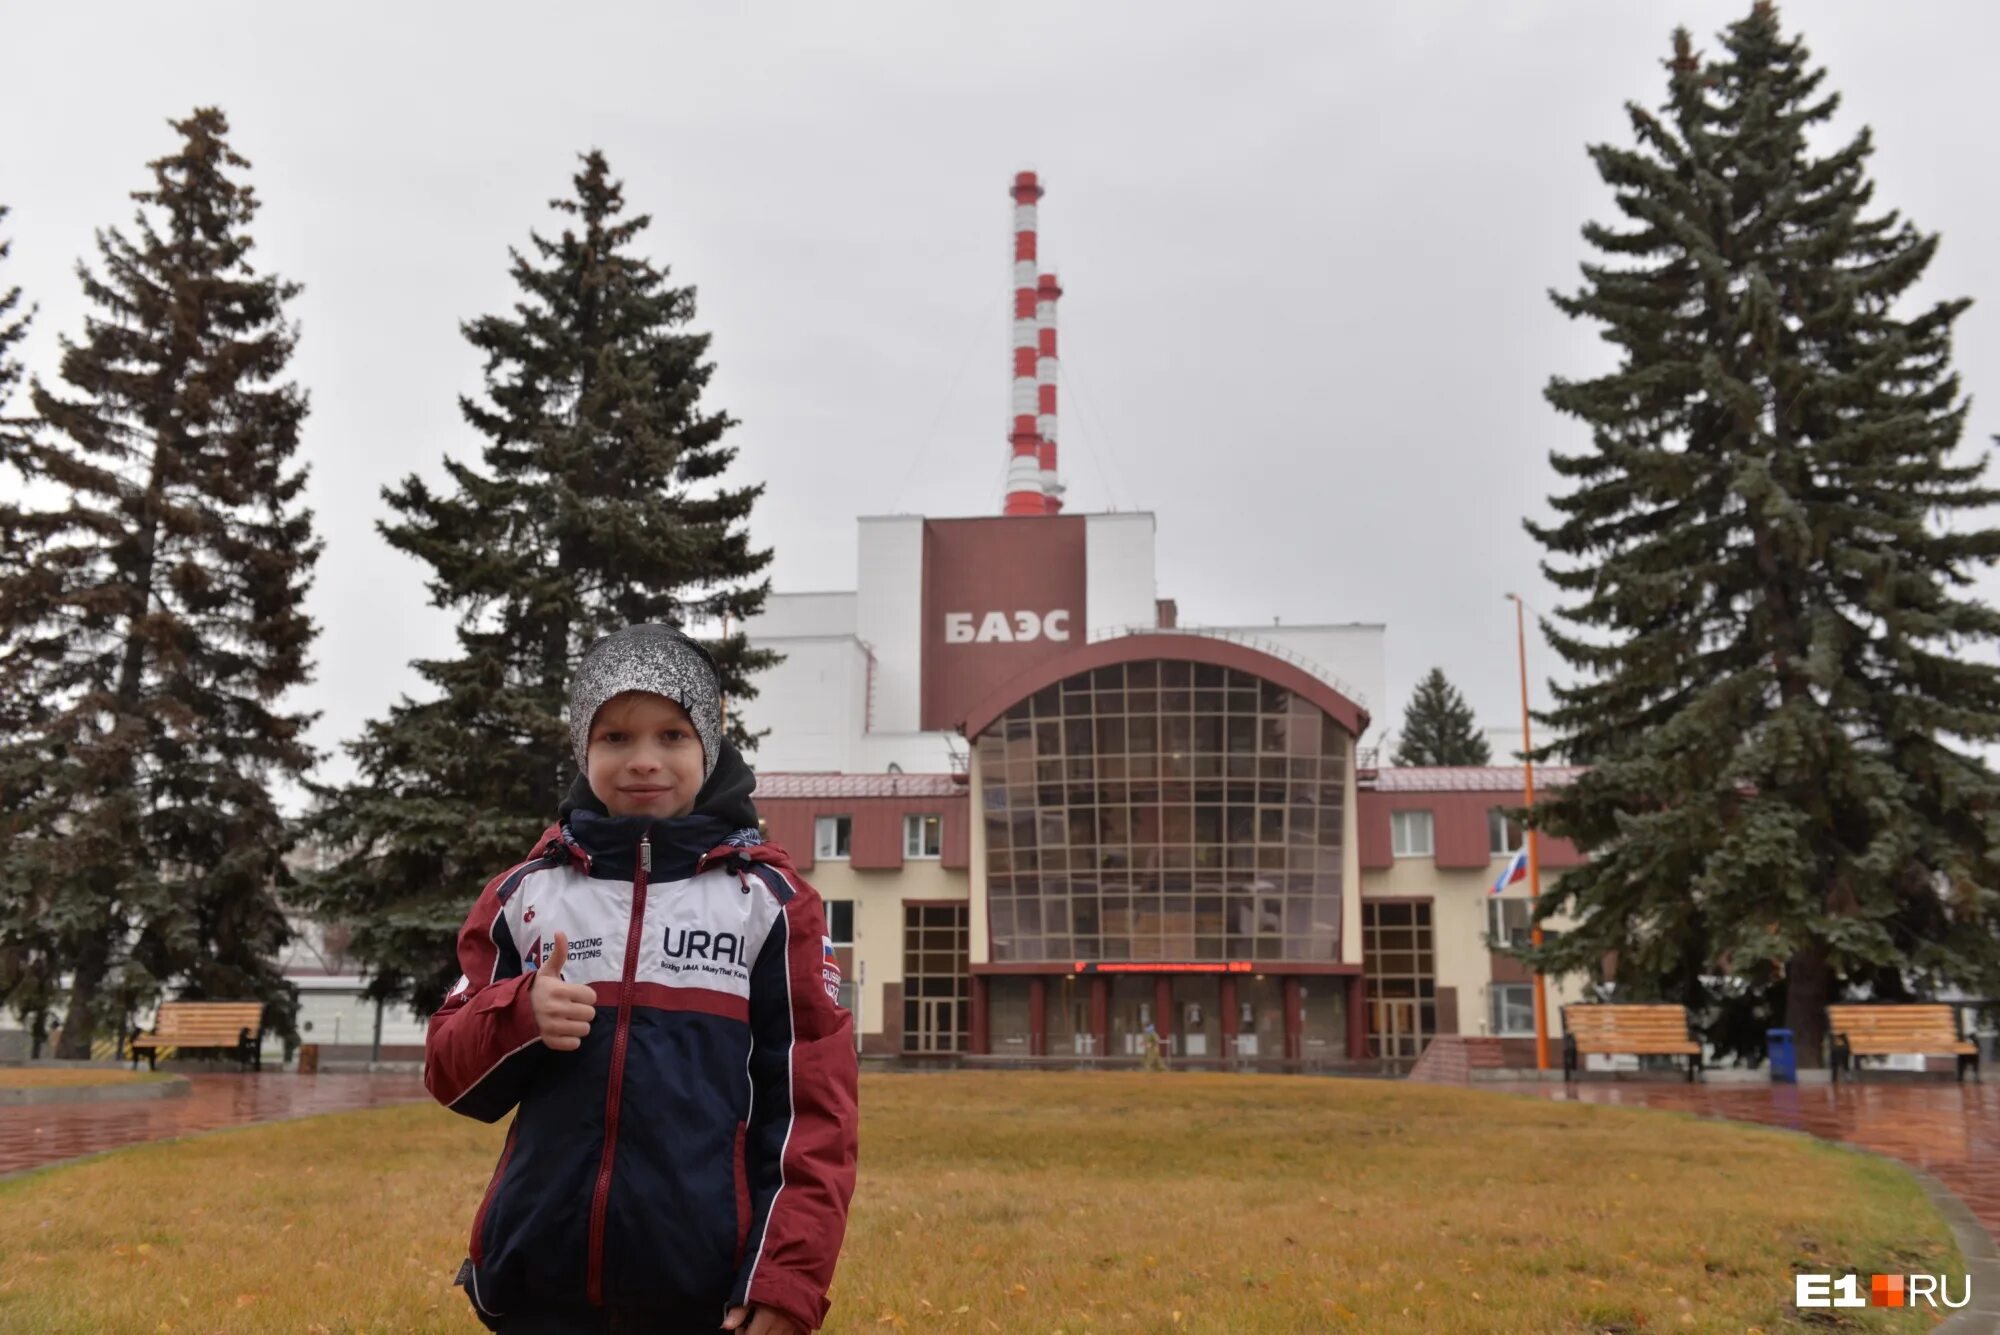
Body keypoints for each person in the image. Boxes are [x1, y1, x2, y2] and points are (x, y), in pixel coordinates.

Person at [424, 624, 860, 1334]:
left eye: (673, 735)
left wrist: (784, 1275)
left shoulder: (770, 905)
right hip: (540, 1284)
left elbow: (814, 1113)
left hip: (706, 1293)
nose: (644, 761)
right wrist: (521, 1014)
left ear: (710, 744)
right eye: (616, 737)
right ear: (582, 748)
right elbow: (449, 1072)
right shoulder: (525, 896)